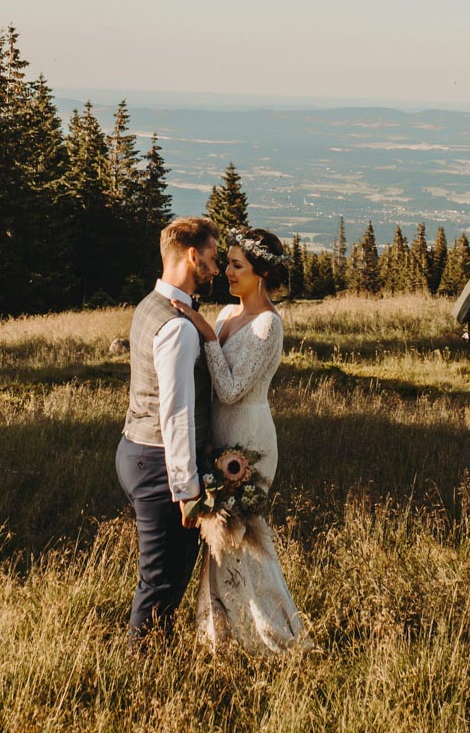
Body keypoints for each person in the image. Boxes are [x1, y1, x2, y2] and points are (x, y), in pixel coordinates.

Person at [170, 226, 315, 653]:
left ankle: (272, 633)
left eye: (237, 265)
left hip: (249, 440)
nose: (227, 272)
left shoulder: (268, 325)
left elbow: (233, 390)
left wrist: (208, 337)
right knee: (218, 538)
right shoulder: (228, 315)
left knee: (242, 536)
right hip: (221, 434)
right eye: (228, 263)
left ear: (262, 274)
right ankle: (220, 632)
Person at [116, 215, 219, 640]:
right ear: (192, 256)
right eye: (212, 258)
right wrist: (187, 489)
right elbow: (175, 412)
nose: (215, 269)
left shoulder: (149, 304)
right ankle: (138, 670)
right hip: (161, 464)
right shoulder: (177, 326)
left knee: (160, 575)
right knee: (162, 582)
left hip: (134, 450)